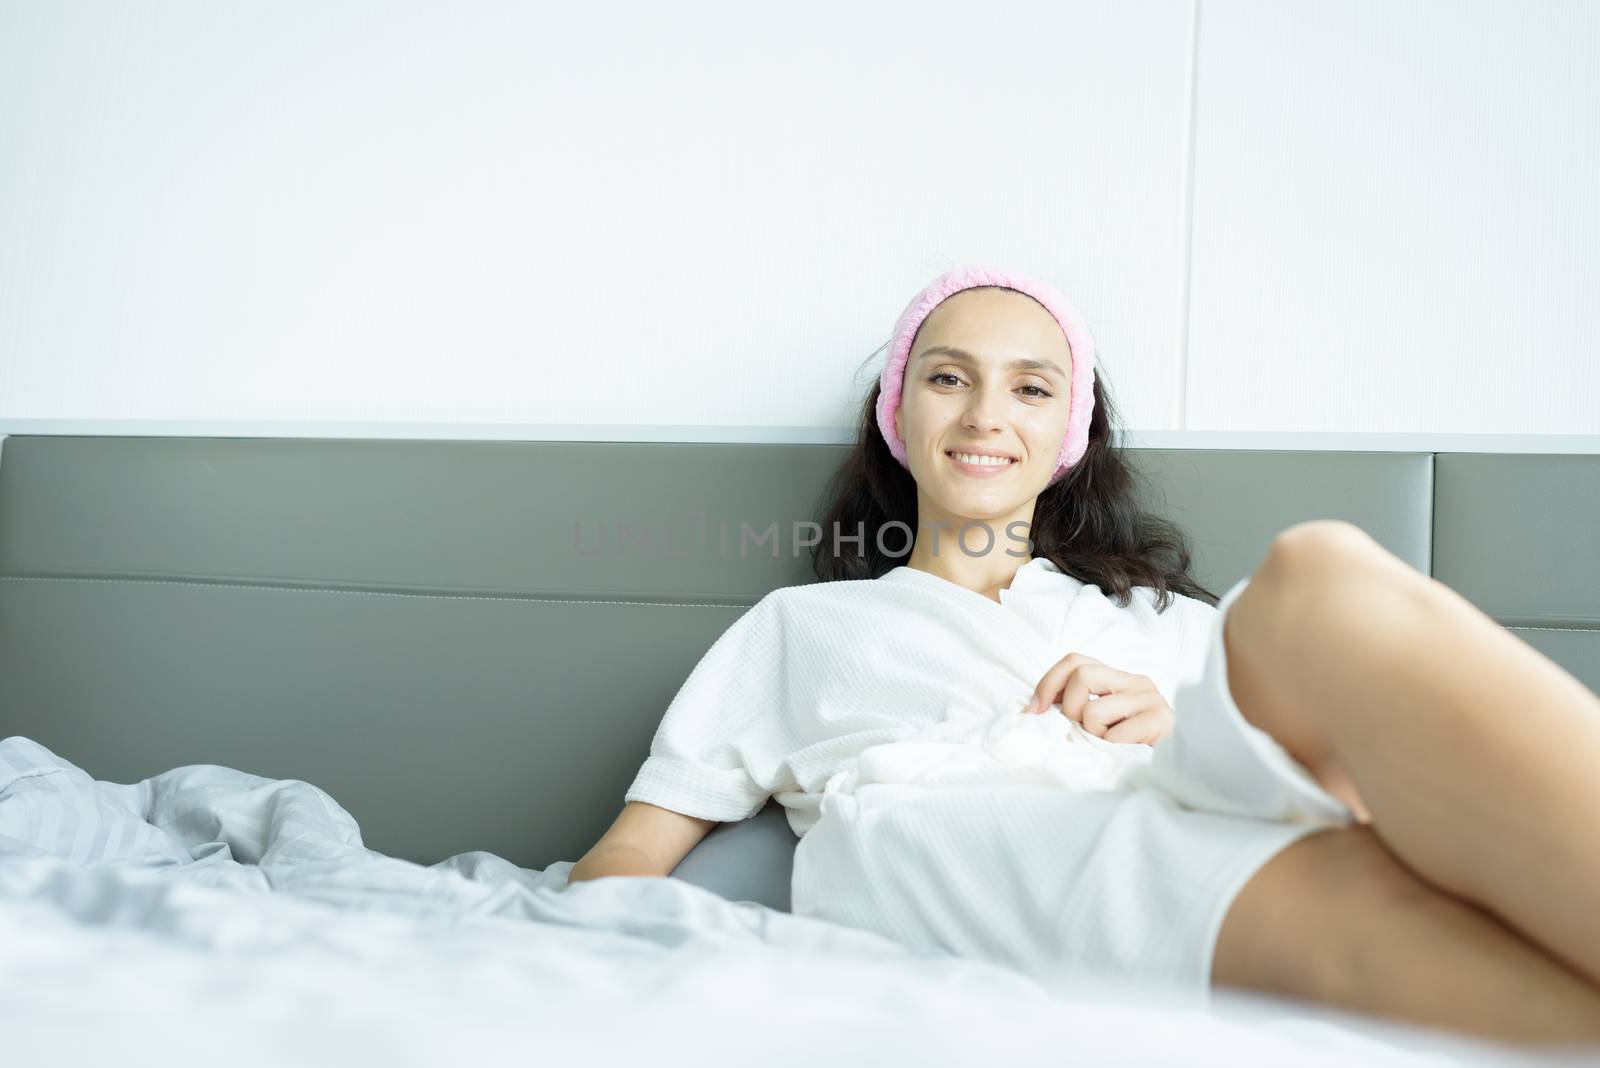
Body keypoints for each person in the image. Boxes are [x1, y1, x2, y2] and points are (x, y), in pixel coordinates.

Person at [572, 265, 1600, 1046]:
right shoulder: (802, 629)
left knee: (1317, 573)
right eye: (946, 378)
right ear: (897, 414)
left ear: (1068, 433)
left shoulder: (1156, 621)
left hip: (1171, 789)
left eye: (1029, 388)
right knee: (1351, 901)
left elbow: (1406, 817)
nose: (983, 415)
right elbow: (628, 858)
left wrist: (1170, 719)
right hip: (976, 843)